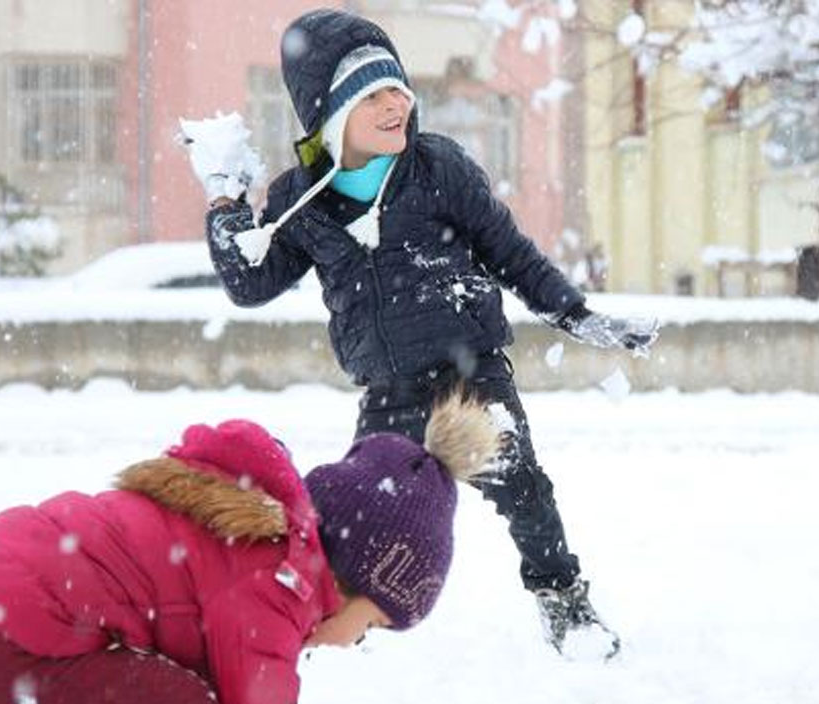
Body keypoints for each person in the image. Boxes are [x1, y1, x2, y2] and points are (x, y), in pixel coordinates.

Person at [184, 8, 657, 658]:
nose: (395, 105)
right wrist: (225, 201)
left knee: (524, 491)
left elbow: (511, 254)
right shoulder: (302, 199)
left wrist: (576, 315)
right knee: (348, 519)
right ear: (330, 114)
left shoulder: (437, 168)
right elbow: (250, 282)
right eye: (373, 95)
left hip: (471, 377)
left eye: (398, 88)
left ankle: (563, 602)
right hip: (388, 390)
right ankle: (321, 614)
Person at [0, 393, 499, 704]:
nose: (356, 643)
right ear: (351, 578)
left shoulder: (252, 538)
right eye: (373, 625)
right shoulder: (279, 583)